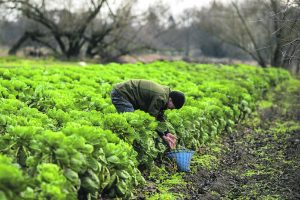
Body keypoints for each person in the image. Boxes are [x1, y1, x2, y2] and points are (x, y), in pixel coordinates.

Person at [110, 79, 185, 149]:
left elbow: (159, 116)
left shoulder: (166, 96)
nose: (171, 109)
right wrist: (162, 135)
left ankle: (128, 145)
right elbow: (152, 118)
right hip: (121, 93)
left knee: (132, 123)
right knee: (131, 124)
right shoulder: (161, 97)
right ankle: (124, 146)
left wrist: (167, 132)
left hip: (126, 93)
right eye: (173, 107)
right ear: (170, 100)